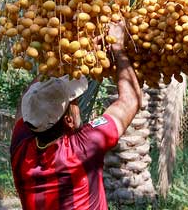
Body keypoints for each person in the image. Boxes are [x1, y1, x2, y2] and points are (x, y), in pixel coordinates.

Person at [10, 20, 142, 210]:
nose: (78, 103)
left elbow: (32, 98)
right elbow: (130, 101)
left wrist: (66, 54)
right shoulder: (82, 149)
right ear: (69, 120)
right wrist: (118, 48)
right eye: (74, 102)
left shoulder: (21, 148)